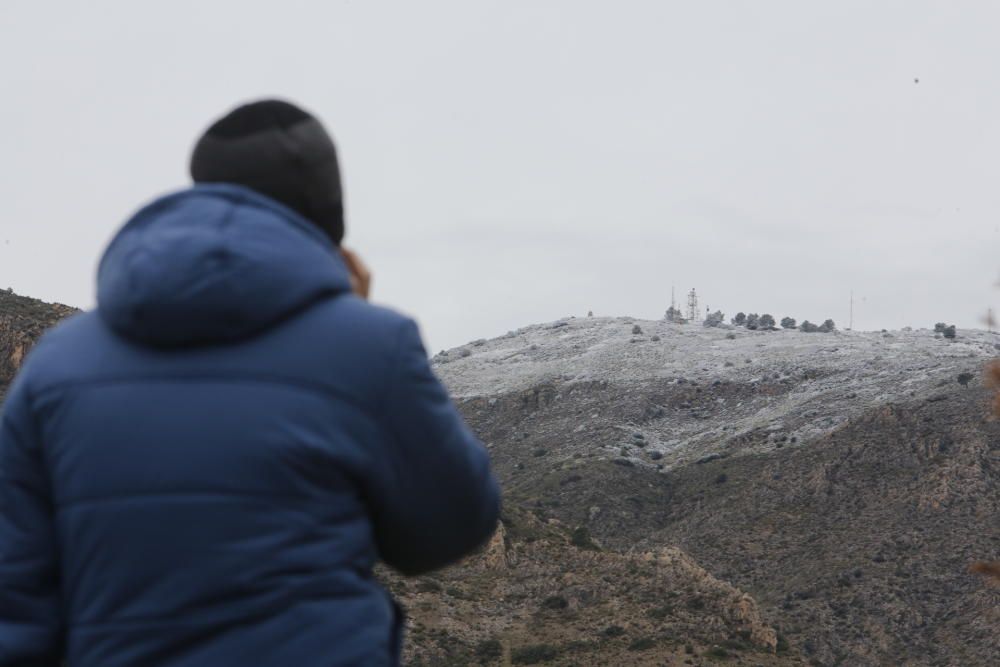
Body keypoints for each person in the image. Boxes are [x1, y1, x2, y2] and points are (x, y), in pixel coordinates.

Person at [0, 99, 500, 666]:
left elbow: (16, 602)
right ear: (327, 216)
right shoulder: (368, 343)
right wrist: (351, 319)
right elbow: (446, 530)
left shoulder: (58, 360)